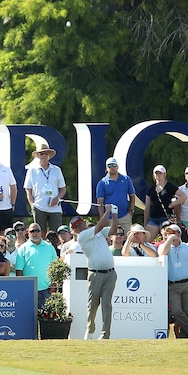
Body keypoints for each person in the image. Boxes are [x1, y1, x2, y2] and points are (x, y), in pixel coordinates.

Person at [71, 206, 116, 340]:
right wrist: (107, 210)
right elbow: (101, 225)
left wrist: (115, 214)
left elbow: (113, 230)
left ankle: (105, 335)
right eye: (77, 225)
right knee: (93, 304)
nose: (81, 225)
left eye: (81, 222)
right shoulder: (82, 236)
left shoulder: (97, 232)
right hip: (95, 274)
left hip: (110, 273)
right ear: (75, 230)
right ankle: (90, 329)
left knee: (107, 304)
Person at [158, 223, 188, 338]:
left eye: (173, 233)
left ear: (179, 234)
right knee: (176, 311)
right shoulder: (165, 247)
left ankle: (185, 337)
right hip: (173, 286)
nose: (171, 235)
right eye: (168, 233)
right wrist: (169, 240)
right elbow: (162, 253)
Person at [24, 142, 67, 233]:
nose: (44, 155)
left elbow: (63, 189)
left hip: (55, 207)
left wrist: (57, 198)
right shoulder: (32, 171)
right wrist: (32, 205)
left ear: (49, 155)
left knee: (56, 234)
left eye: (46, 153)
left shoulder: (56, 170)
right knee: (40, 233)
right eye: (41, 153)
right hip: (39, 206)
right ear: (38, 155)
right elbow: (28, 189)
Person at [14, 222, 58, 307]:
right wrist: (22, 288)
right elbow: (19, 271)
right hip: (29, 290)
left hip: (47, 289)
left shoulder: (50, 247)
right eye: (32, 231)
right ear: (28, 233)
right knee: (28, 317)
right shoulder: (22, 248)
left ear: (41, 232)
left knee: (46, 318)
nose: (35, 233)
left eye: (37, 231)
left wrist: (54, 285)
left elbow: (55, 268)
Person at [96, 157, 136, 234]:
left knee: (129, 239)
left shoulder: (126, 179)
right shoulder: (102, 183)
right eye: (109, 165)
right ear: (106, 168)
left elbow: (132, 195)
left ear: (117, 166)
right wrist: (102, 218)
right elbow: (100, 202)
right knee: (112, 240)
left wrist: (131, 211)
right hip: (110, 218)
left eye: (114, 165)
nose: (112, 167)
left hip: (125, 216)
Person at [143, 164, 184, 239]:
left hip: (165, 218)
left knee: (168, 239)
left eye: (160, 173)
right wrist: (145, 223)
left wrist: (172, 204)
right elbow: (147, 207)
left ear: (164, 174)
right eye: (156, 173)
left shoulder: (170, 186)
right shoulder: (151, 190)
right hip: (153, 218)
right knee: (146, 240)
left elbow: (183, 196)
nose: (158, 175)